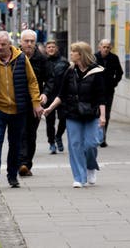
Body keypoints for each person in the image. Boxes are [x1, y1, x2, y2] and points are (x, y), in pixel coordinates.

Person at [0, 31, 44, 190]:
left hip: (18, 109)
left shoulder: (21, 59)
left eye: (3, 44)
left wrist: (36, 102)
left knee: (15, 144)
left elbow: (32, 81)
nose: (0, 47)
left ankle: (12, 176)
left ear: (10, 44)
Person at [43, 42, 106, 188]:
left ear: (81, 54)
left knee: (91, 144)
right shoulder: (70, 71)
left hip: (91, 113)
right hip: (72, 113)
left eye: (73, 52)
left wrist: (102, 116)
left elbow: (101, 97)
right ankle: (79, 177)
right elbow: (61, 94)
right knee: (75, 144)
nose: (71, 54)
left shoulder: (96, 72)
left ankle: (90, 166)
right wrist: (50, 108)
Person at [18, 29, 52, 177]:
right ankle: (20, 163)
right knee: (19, 133)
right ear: (21, 42)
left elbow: (50, 79)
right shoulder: (15, 57)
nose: (29, 44)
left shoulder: (42, 59)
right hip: (17, 101)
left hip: (35, 103)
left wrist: (45, 93)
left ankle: (26, 164)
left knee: (30, 134)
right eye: (27, 41)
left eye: (32, 41)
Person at [94, 39, 123, 147]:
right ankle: (96, 136)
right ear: (99, 47)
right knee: (96, 113)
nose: (106, 49)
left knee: (106, 114)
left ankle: (102, 138)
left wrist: (114, 83)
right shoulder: (94, 58)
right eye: (104, 47)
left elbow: (119, 72)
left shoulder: (114, 58)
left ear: (110, 48)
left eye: (108, 47)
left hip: (108, 91)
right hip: (96, 91)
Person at [45, 40, 70, 154]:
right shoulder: (44, 62)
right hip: (49, 95)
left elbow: (70, 78)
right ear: (46, 49)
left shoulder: (64, 62)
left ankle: (58, 136)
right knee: (50, 121)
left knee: (63, 118)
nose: (51, 49)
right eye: (49, 47)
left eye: (53, 47)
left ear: (57, 49)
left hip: (62, 95)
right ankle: (51, 143)